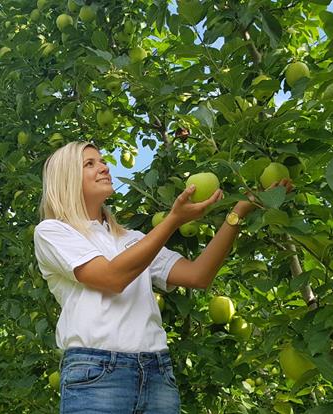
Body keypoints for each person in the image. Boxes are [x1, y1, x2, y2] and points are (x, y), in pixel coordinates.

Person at [33, 141, 292, 414]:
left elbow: (198, 275)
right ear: (67, 179)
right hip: (96, 373)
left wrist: (238, 211)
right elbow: (111, 277)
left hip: (157, 371)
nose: (104, 167)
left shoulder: (131, 239)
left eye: (102, 161)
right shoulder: (53, 232)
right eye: (90, 163)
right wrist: (173, 220)